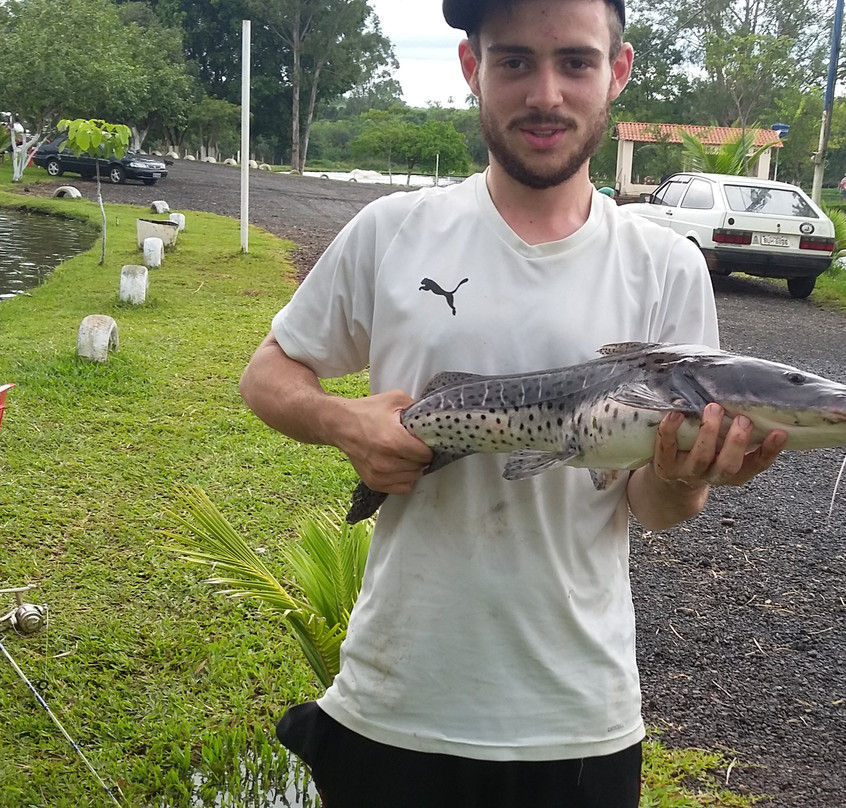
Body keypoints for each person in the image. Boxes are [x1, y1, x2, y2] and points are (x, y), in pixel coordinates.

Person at [238, 0, 787, 805]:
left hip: (577, 721)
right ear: (472, 69)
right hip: (396, 704)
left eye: (575, 62)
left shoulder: (665, 266)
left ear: (617, 72)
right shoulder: (395, 231)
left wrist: (685, 474)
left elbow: (656, 507)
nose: (545, 93)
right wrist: (342, 420)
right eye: (515, 62)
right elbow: (268, 373)